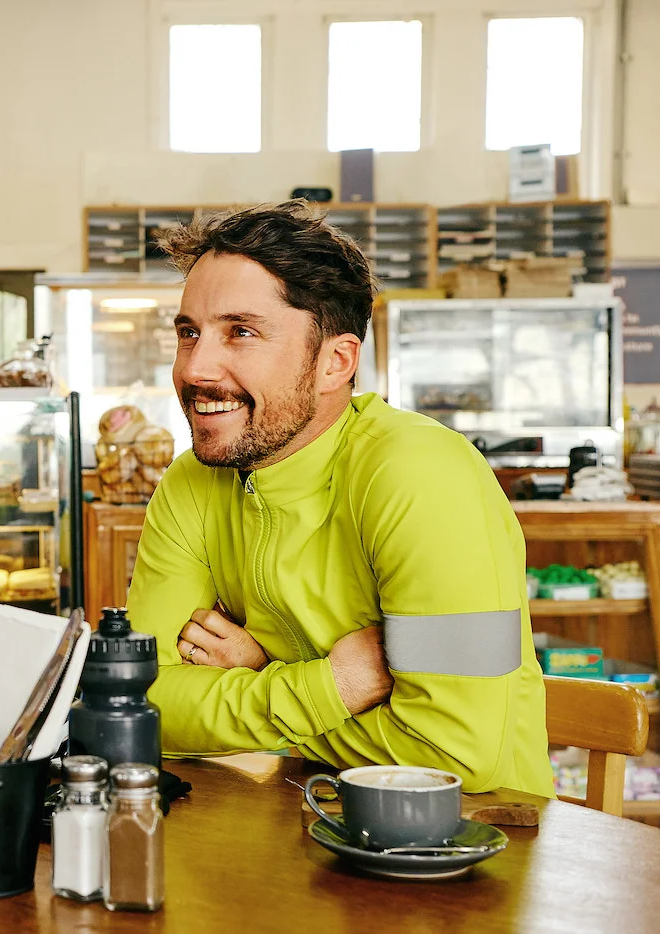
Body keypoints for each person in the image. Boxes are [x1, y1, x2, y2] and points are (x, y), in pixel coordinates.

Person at [126, 201, 554, 797]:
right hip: (292, 829)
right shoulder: (190, 484)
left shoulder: (424, 474)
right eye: (189, 332)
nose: (195, 367)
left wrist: (261, 680)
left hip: (470, 851)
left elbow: (454, 754)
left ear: (336, 361)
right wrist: (332, 684)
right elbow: (138, 706)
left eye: (241, 333)